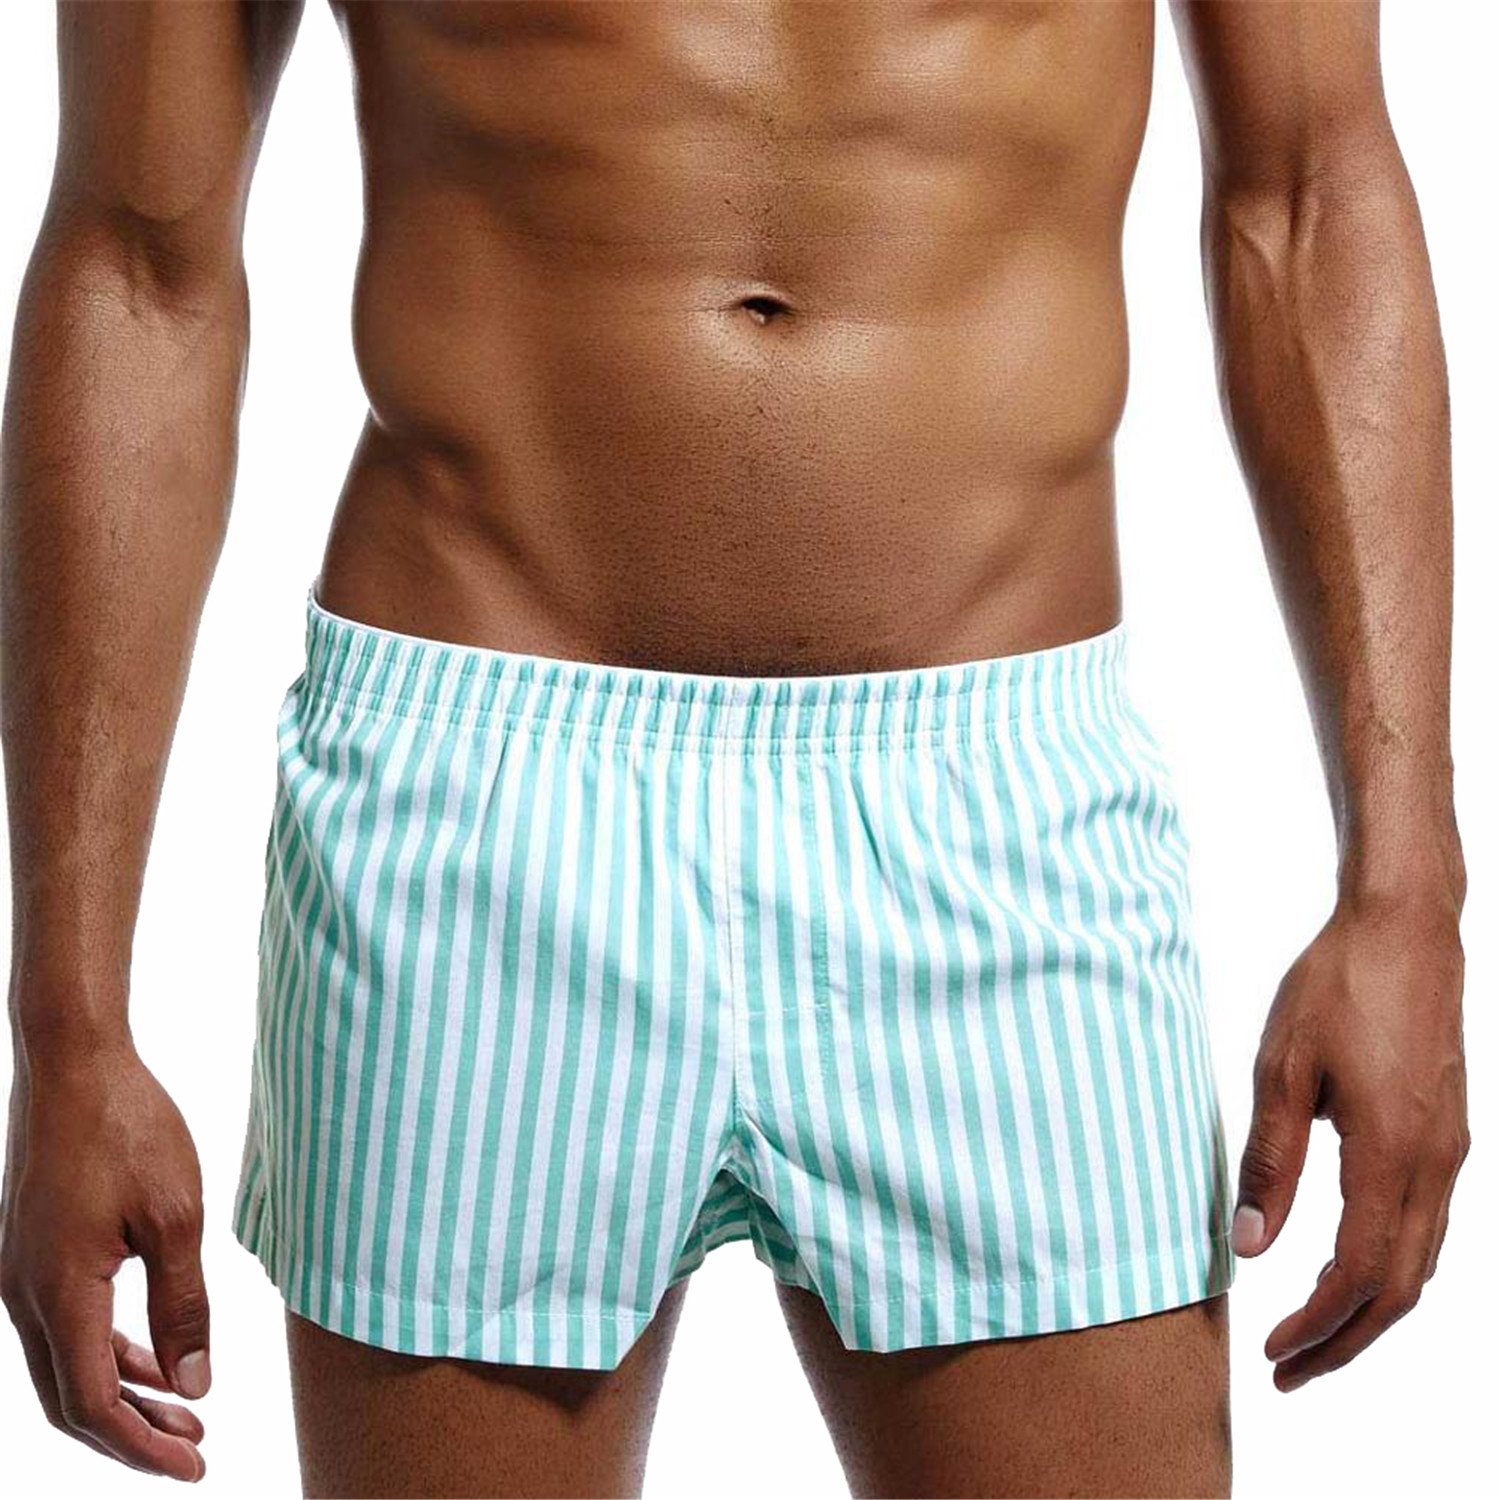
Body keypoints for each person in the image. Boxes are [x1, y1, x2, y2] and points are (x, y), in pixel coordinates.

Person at [0, 2, 1469, 1496]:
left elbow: (1311, 193)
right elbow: (138, 262)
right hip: (473, 799)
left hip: (1003, 800)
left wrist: (1407, 888)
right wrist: (68, 1024)